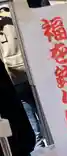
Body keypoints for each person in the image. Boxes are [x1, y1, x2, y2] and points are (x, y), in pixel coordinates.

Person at [0, 6, 45, 148]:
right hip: (29, 74)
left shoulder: (10, 14)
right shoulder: (11, 14)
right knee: (47, 121)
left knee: (32, 126)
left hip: (14, 80)